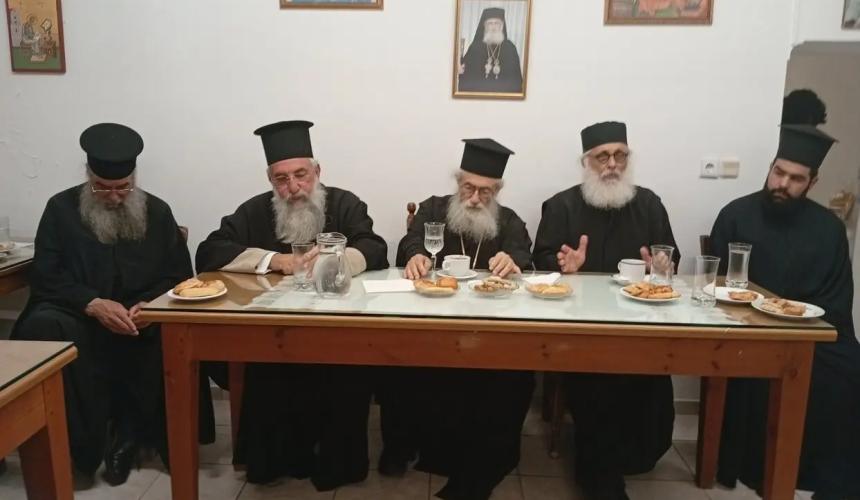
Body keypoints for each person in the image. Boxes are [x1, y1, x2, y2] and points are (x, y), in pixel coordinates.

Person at [12, 123, 213, 487]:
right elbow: (46, 274)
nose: (115, 197)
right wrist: (91, 303)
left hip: (140, 318)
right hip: (81, 313)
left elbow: (179, 277)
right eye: (102, 188)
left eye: (123, 188)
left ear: (133, 179)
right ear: (89, 176)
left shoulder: (157, 211)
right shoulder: (60, 210)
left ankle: (140, 436)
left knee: (175, 330)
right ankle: (80, 449)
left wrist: (150, 306)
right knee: (45, 325)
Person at [195, 120, 388, 491]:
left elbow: (375, 248)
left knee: (350, 370)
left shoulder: (346, 204)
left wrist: (335, 260)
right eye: (281, 179)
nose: (294, 187)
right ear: (271, 180)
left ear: (317, 172)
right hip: (276, 335)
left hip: (337, 332)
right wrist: (275, 260)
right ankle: (277, 461)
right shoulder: (254, 211)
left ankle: (338, 463)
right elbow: (209, 251)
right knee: (267, 370)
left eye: (301, 175)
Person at [532, 121, 679, 500]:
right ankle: (602, 480)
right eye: (603, 156)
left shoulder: (649, 204)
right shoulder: (562, 205)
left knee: (654, 393)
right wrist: (564, 265)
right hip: (581, 329)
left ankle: (626, 456)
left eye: (620, 155)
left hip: (640, 325)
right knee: (598, 388)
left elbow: (669, 256)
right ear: (587, 162)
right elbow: (540, 259)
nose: (612, 164)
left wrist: (662, 266)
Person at [711, 124, 860, 500]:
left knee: (850, 372)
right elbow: (715, 286)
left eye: (796, 179)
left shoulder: (829, 229)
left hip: (813, 332)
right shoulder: (735, 215)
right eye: (779, 172)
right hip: (746, 329)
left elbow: (837, 302)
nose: (782, 184)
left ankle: (829, 479)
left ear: (812, 182)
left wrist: (800, 322)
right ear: (770, 168)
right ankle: (756, 467)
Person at [382, 138, 533, 500]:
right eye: (468, 187)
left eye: (485, 191)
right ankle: (401, 446)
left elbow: (523, 255)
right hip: (432, 327)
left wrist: (512, 261)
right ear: (458, 183)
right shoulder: (433, 209)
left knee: (512, 375)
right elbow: (410, 241)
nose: (475, 198)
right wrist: (415, 255)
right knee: (393, 357)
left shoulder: (509, 221)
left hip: (487, 332)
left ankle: (479, 460)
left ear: (496, 191)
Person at [458, 8, 523, 94]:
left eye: (496, 23)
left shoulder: (510, 48)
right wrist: (459, 68)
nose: (493, 27)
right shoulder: (475, 47)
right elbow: (466, 74)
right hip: (478, 95)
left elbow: (515, 79)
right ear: (485, 26)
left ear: (501, 26)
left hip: (503, 96)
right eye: (490, 23)